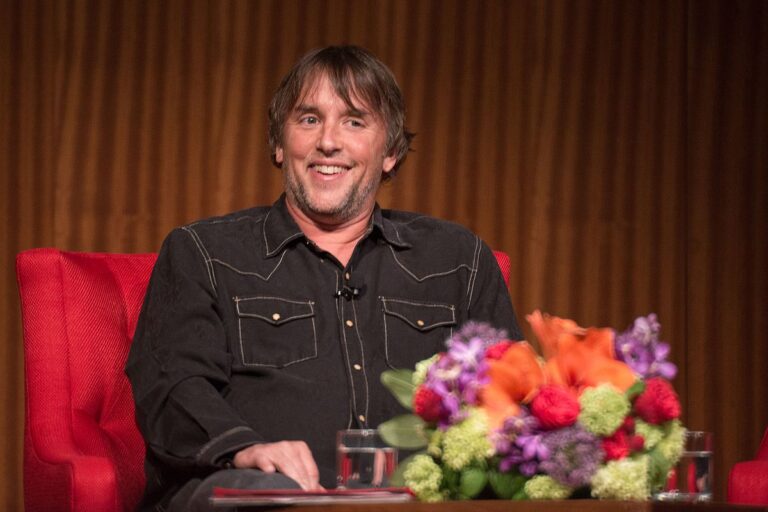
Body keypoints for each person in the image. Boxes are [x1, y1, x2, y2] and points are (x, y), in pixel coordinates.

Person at [126, 45, 522, 511]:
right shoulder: (205, 252)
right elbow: (173, 386)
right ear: (279, 143)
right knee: (260, 496)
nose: (328, 142)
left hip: (413, 501)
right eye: (309, 119)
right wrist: (246, 450)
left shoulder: (458, 260)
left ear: (390, 152)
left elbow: (508, 398)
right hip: (256, 493)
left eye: (354, 121)